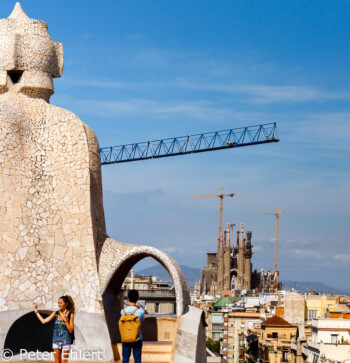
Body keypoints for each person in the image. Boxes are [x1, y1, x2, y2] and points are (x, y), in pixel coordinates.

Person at [33, 295, 75, 363]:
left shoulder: (70, 314)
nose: (59, 304)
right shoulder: (55, 313)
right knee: (57, 361)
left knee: (64, 361)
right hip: (56, 340)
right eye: (58, 303)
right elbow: (44, 321)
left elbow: (71, 330)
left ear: (66, 304)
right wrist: (36, 311)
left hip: (66, 341)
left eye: (61, 303)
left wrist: (65, 319)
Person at [120, 290, 145, 363]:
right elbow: (142, 321)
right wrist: (138, 307)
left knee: (125, 359)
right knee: (137, 360)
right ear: (138, 299)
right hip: (137, 337)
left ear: (128, 298)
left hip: (125, 338)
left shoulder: (123, 311)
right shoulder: (140, 311)